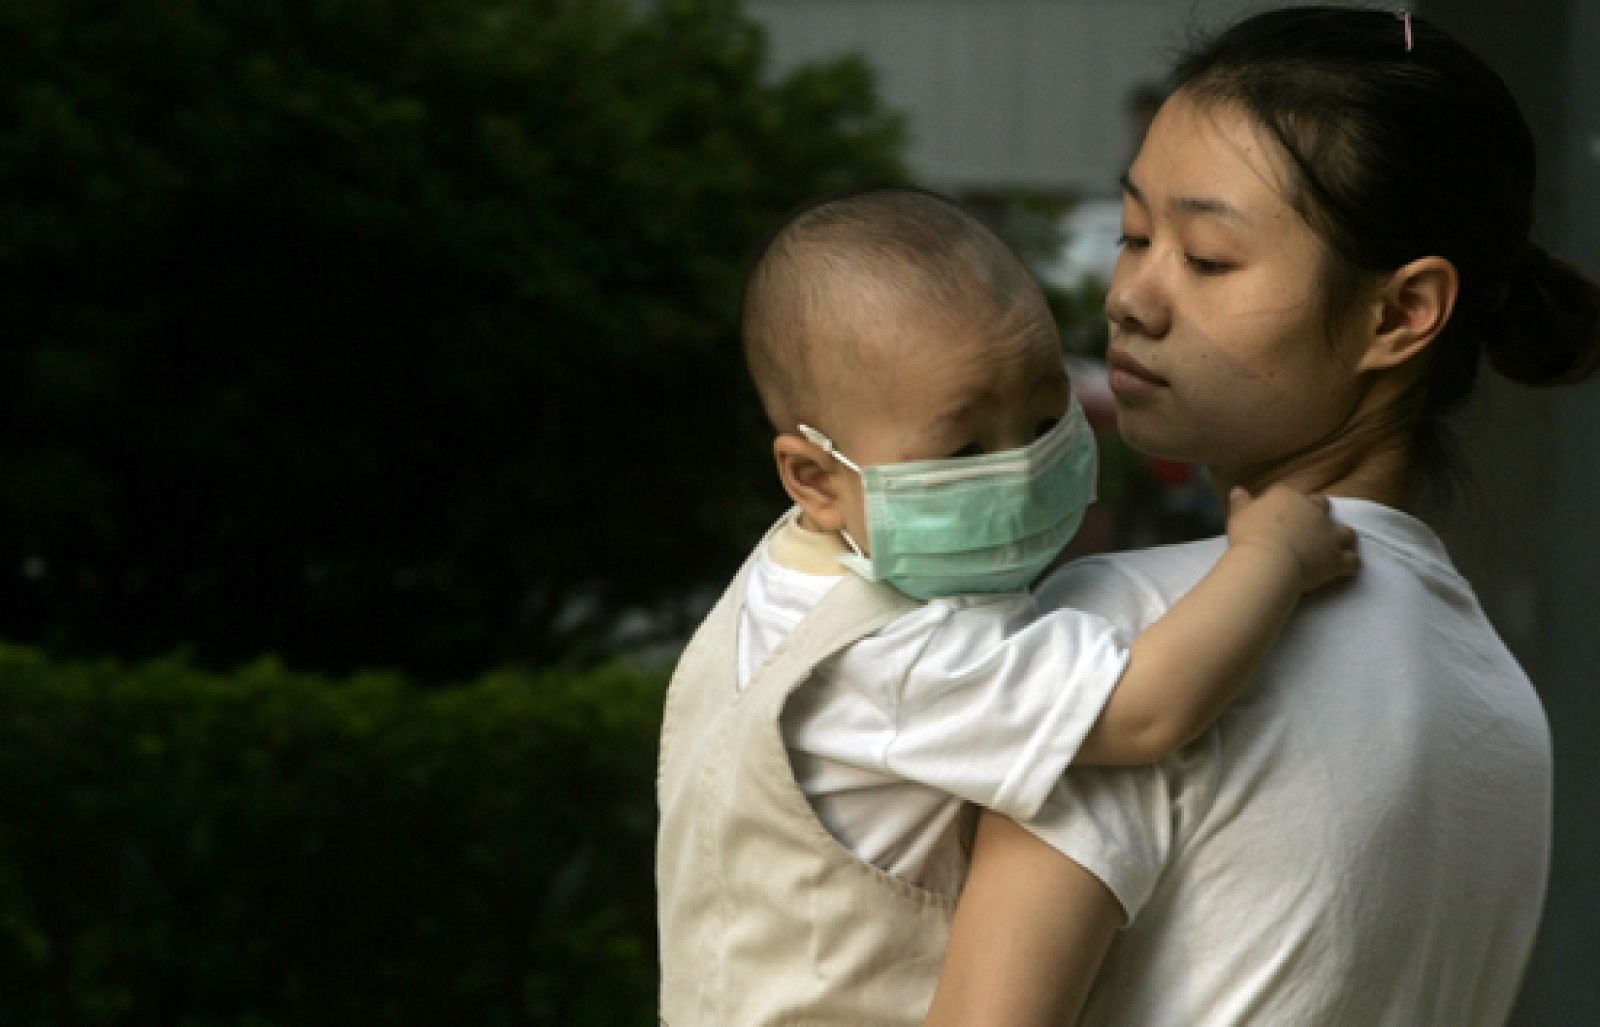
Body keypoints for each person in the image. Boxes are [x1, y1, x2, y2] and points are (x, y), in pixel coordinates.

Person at [924, 8, 1600, 1025]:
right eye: (1134, 235)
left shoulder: (1129, 640)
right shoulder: (1503, 705)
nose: (1130, 299)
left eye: (1205, 258)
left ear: (1399, 314)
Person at [655, 186, 1357, 1025]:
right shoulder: (906, 656)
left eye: (1041, 413)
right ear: (815, 477)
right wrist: (1270, 556)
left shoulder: (788, 577)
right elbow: (1145, 711)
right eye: (963, 447)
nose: (1020, 464)